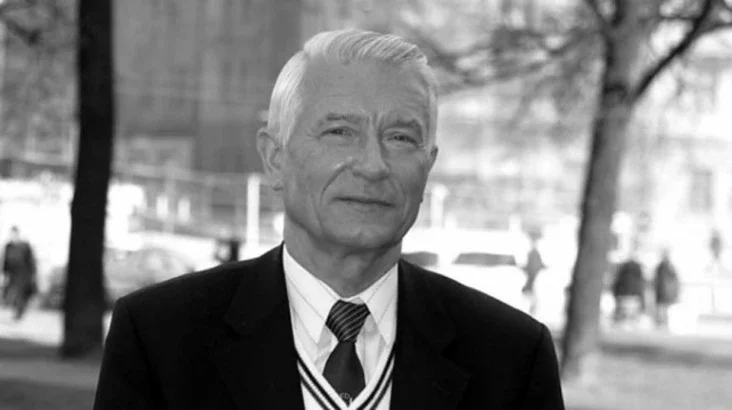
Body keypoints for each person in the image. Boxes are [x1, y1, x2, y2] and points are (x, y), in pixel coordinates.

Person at [94, 30, 564, 410]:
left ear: (429, 164)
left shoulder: (511, 358)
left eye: (401, 138)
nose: (373, 165)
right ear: (274, 158)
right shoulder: (160, 340)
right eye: (340, 131)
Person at [1, 226, 37, 320]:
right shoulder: (8, 246)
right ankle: (16, 311)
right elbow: (5, 261)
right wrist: (4, 273)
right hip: (12, 274)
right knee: (12, 293)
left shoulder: (25, 245)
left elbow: (31, 260)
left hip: (24, 273)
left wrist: (33, 274)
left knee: (21, 294)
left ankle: (19, 313)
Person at [611, 253, 646, 325]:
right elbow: (641, 286)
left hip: (622, 296)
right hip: (635, 297)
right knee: (632, 319)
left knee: (623, 320)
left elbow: (616, 284)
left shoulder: (622, 269)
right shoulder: (637, 270)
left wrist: (616, 295)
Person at [653, 249, 680, 329]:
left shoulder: (670, 267)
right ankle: (662, 325)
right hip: (661, 294)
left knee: (665, 311)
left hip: (666, 294)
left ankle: (664, 325)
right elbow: (656, 281)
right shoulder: (660, 267)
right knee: (661, 311)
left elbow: (675, 281)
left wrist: (675, 293)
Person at [522, 234, 546, 316]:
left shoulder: (534, 253)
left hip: (533, 273)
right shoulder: (532, 253)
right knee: (530, 287)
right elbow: (532, 264)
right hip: (532, 273)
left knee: (531, 287)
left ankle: (532, 304)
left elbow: (538, 263)